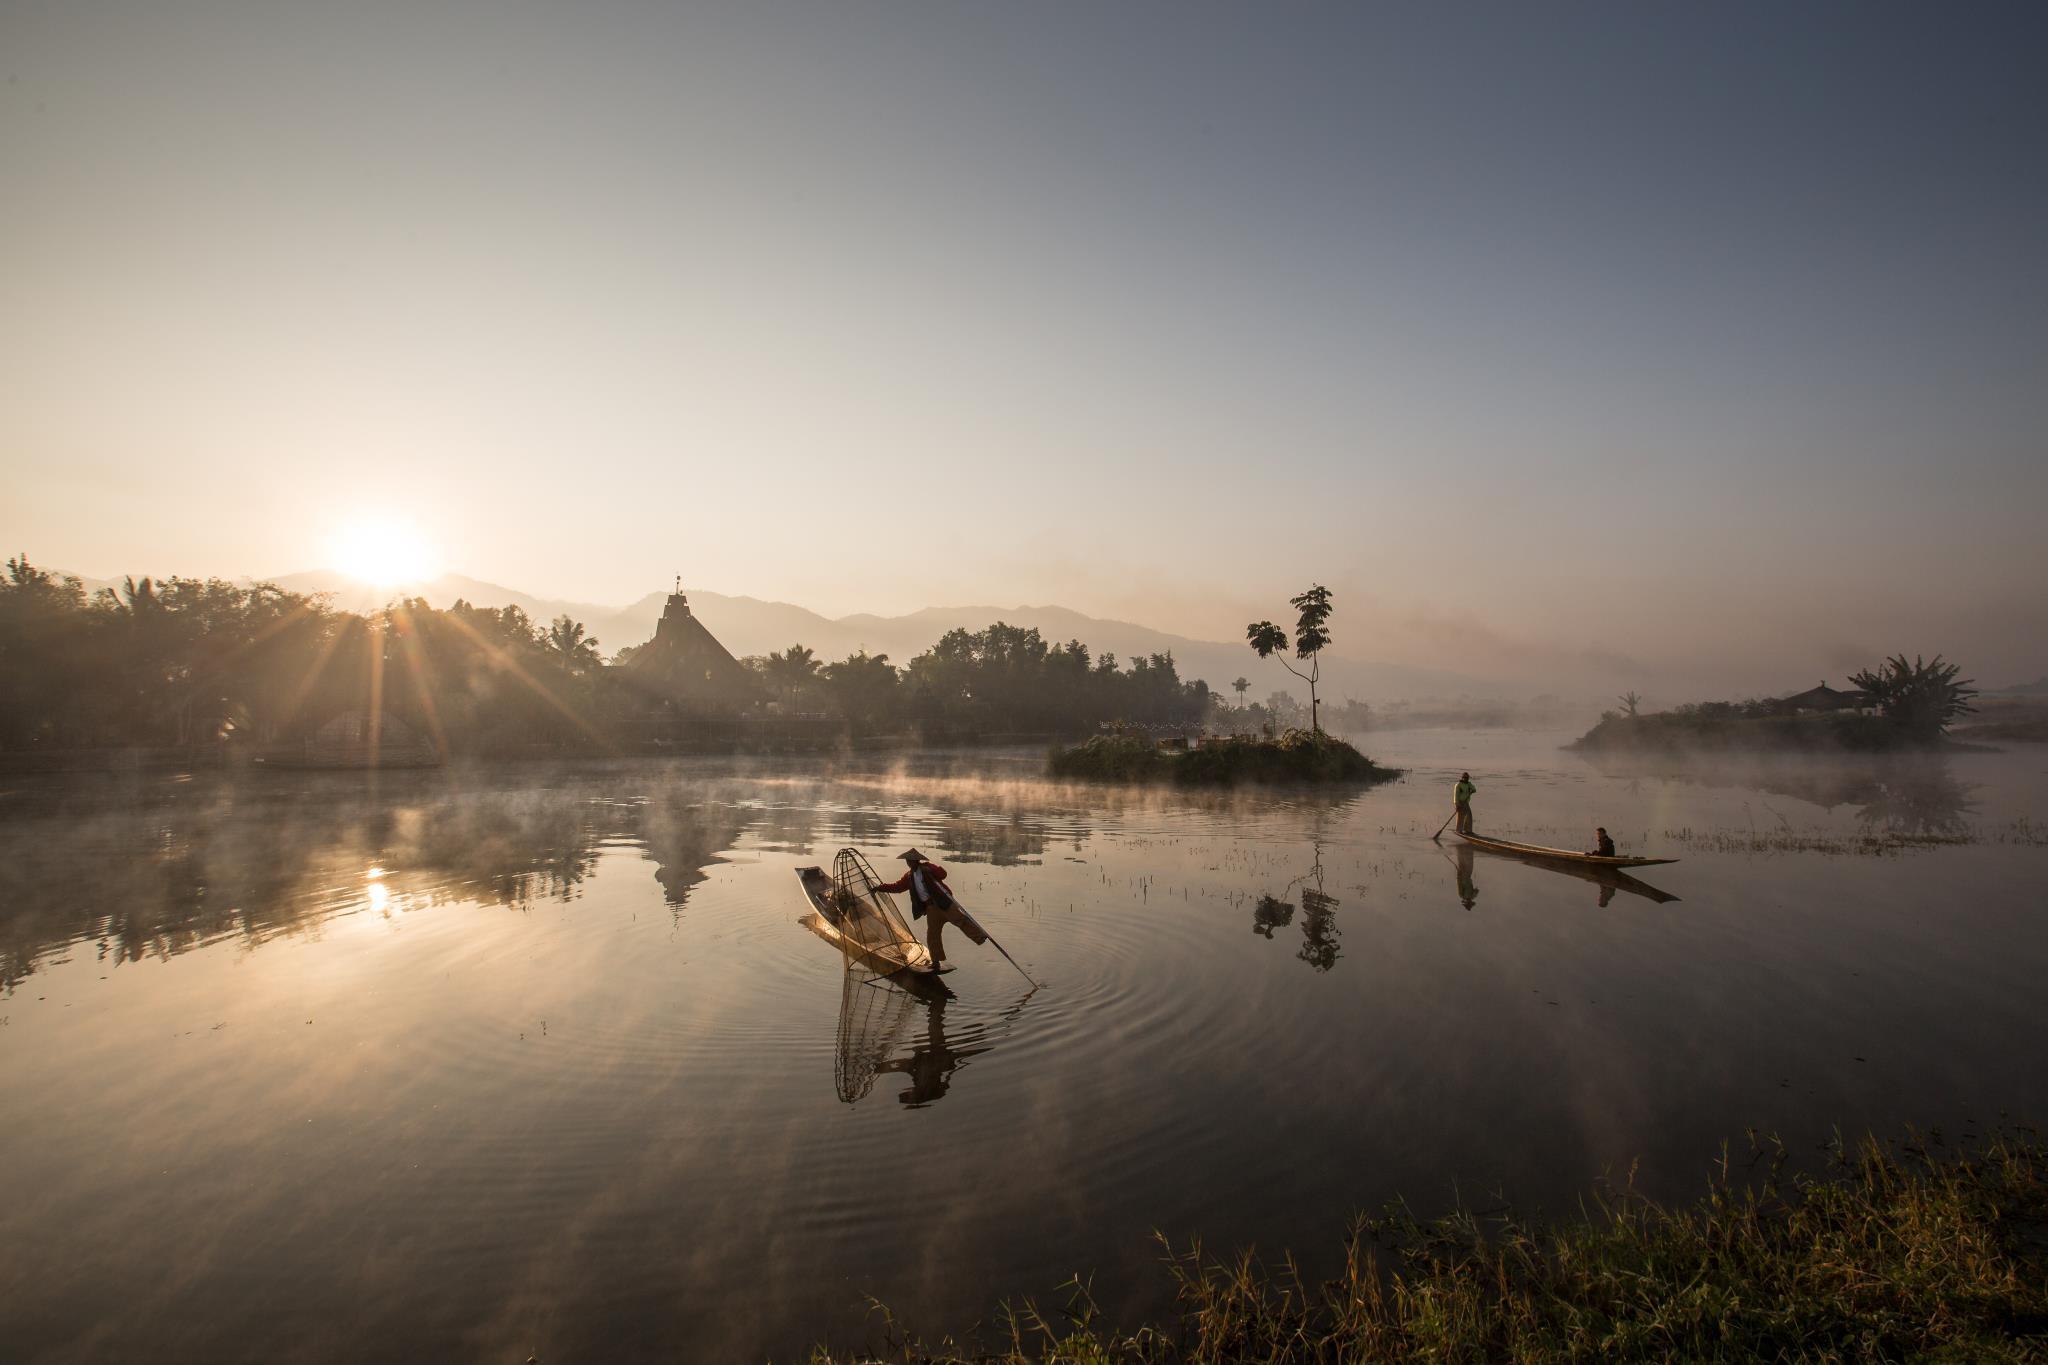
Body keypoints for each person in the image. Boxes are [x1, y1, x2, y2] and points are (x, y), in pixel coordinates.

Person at [873, 848, 967, 971]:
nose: (909, 863)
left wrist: (931, 869)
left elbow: (943, 874)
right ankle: (936, 962)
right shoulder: (909, 876)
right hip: (931, 908)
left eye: (911, 860)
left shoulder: (927, 869)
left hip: (943, 902)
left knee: (961, 920)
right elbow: (898, 887)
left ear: (917, 861)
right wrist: (881, 887)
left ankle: (981, 936)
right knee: (932, 935)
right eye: (908, 861)